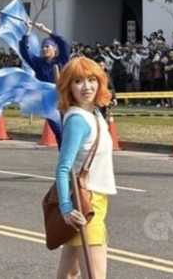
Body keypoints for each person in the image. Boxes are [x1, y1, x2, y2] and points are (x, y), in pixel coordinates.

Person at [54, 56, 116, 279]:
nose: (87, 87)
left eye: (92, 79)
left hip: (94, 198)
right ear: (69, 86)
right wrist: (66, 208)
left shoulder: (94, 113)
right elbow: (63, 168)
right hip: (86, 205)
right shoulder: (78, 120)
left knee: (68, 274)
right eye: (78, 81)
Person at [19, 20, 70, 146]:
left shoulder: (62, 60)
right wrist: (28, 30)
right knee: (59, 133)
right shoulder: (38, 63)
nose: (44, 49)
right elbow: (24, 51)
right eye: (43, 47)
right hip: (48, 103)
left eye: (47, 46)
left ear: (55, 49)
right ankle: (65, 162)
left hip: (65, 100)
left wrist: (46, 30)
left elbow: (63, 42)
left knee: (69, 131)